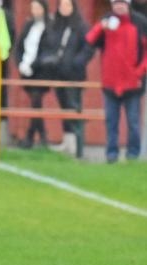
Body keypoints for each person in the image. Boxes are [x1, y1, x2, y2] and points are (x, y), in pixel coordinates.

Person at [86, 0, 147, 163]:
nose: (118, 7)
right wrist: (101, 27)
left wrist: (139, 72)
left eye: (121, 4)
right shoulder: (106, 21)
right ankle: (111, 154)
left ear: (128, 5)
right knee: (111, 121)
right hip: (110, 82)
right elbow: (90, 40)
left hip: (133, 83)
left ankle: (133, 154)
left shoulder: (140, 23)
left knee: (133, 122)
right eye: (115, 4)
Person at [38, 0, 94, 158]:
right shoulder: (55, 25)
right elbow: (48, 45)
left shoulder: (81, 26)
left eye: (67, 5)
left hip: (74, 76)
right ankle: (68, 142)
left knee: (74, 109)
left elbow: (88, 48)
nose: (64, 8)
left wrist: (77, 62)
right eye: (62, 5)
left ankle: (78, 146)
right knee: (64, 108)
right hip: (58, 73)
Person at [15, 0, 52, 149]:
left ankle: (32, 137)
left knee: (36, 103)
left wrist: (32, 65)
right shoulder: (29, 25)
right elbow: (19, 46)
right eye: (33, 8)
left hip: (41, 73)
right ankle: (40, 138)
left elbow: (47, 50)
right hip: (27, 72)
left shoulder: (49, 26)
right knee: (35, 105)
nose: (35, 11)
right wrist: (20, 64)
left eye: (37, 8)